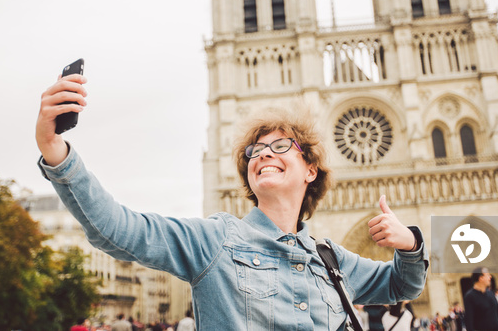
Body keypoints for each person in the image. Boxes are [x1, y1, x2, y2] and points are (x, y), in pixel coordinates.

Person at [35, 73, 429, 330]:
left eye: (279, 146)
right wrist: (57, 152)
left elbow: (402, 285)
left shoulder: (332, 260)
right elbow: (117, 229)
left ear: (310, 169)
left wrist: (410, 244)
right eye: (254, 151)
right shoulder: (215, 241)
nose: (262, 154)